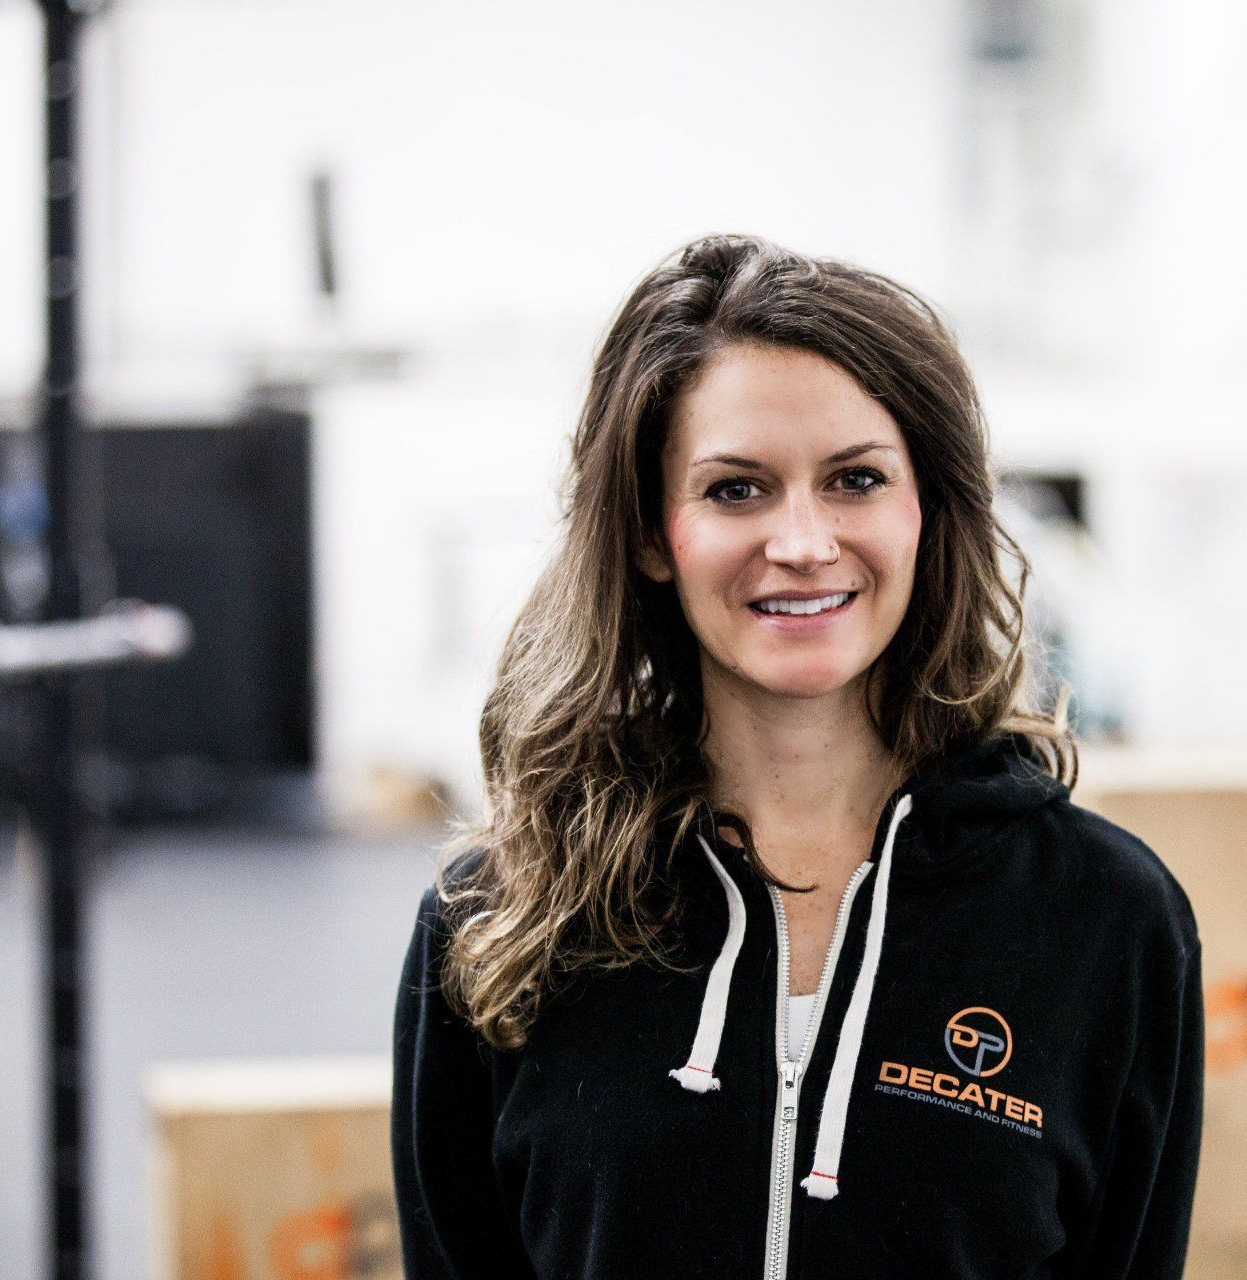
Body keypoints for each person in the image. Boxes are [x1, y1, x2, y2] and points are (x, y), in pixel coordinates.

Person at [391, 233, 1203, 1278]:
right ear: (650, 530)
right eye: (737, 489)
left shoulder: (1105, 916)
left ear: (927, 511)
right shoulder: (502, 916)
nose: (805, 540)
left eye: (856, 478)